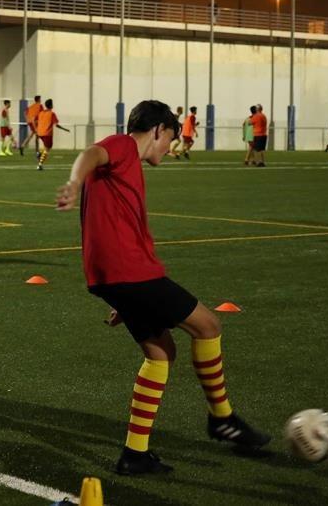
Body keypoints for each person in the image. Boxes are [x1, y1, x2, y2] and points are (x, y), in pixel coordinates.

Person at [55, 99, 270, 475]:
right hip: (130, 273)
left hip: (120, 277)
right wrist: (73, 183)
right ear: (157, 130)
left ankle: (134, 454)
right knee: (209, 326)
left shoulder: (129, 167)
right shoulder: (123, 147)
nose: (169, 148)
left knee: (160, 355)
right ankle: (222, 418)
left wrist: (124, 297)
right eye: (169, 139)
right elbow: (90, 154)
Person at [35, 99, 70, 171]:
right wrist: (65, 129)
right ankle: (40, 165)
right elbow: (56, 124)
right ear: (51, 105)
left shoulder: (41, 113)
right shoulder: (51, 114)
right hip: (47, 133)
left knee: (46, 147)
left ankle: (39, 153)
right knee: (47, 149)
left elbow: (36, 120)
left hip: (40, 133)